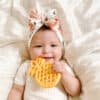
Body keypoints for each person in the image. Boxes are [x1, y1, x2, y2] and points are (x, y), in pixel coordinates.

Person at [7, 8, 81, 100]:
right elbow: (17, 90)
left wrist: (63, 73)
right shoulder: (26, 66)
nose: (46, 50)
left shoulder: (63, 66)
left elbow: (75, 91)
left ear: (62, 49)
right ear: (29, 50)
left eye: (53, 45)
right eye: (38, 46)